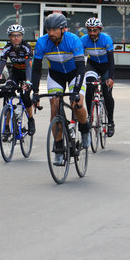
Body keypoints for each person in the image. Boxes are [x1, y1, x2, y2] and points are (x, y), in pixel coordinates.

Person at [29, 13, 90, 166]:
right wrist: (35, 92)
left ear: (64, 29)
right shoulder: (42, 43)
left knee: (77, 104)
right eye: (48, 29)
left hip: (75, 73)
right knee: (54, 108)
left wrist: (76, 90)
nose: (51, 33)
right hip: (56, 76)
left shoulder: (73, 40)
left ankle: (84, 128)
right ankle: (58, 148)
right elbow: (36, 69)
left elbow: (82, 67)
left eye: (55, 29)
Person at [0, 24, 36, 137]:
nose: (16, 38)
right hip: (15, 73)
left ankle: (30, 120)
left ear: (22, 36)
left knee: (25, 96)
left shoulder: (26, 47)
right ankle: (6, 126)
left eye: (18, 35)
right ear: (9, 37)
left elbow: (29, 66)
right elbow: (0, 67)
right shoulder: (7, 48)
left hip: (27, 74)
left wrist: (28, 82)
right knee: (7, 93)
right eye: (13, 35)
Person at [80, 17, 116, 137]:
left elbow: (111, 61)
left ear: (99, 30)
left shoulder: (106, 39)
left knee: (106, 93)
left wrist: (110, 77)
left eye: (95, 30)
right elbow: (78, 59)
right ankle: (89, 116)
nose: (92, 33)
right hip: (93, 65)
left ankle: (110, 122)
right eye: (89, 30)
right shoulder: (83, 40)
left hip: (106, 66)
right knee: (89, 86)